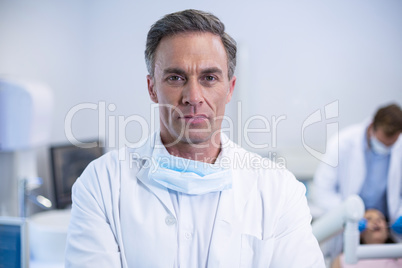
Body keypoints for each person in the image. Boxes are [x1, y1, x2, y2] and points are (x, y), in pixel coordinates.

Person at [65, 9, 325, 267]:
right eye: (176, 78)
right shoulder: (102, 183)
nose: (193, 96)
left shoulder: (278, 190)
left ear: (230, 89)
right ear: (152, 88)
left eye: (209, 78)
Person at [310, 103, 402, 259]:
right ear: (372, 126)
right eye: (383, 142)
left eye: (391, 144)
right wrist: (351, 215)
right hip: (350, 225)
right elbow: (322, 191)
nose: (386, 148)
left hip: (390, 227)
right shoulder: (342, 143)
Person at [331, 209, 402, 268]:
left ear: (388, 232)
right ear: (359, 230)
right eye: (368, 219)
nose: (376, 221)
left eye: (381, 218)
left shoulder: (399, 256)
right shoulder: (342, 259)